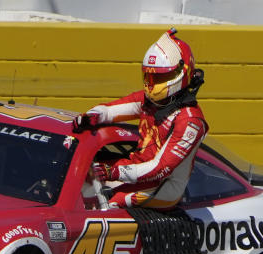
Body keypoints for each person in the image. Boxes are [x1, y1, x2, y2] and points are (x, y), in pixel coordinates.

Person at [74, 28, 208, 210]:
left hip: (164, 186)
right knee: (78, 177)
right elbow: (109, 110)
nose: (152, 85)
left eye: (161, 77)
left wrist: (113, 172)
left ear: (181, 73)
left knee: (102, 205)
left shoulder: (191, 121)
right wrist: (91, 117)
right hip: (136, 169)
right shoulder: (149, 100)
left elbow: (160, 168)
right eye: (150, 76)